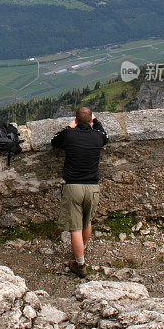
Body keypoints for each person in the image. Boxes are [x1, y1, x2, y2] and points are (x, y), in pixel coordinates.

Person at [51, 106, 108, 278]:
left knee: (75, 228)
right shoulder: (98, 137)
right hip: (92, 187)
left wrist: (69, 127)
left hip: (73, 187)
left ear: (76, 120)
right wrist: (96, 121)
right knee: (87, 221)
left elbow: (54, 141)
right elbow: (105, 135)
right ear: (91, 121)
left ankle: (80, 264)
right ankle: (80, 250)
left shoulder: (70, 135)